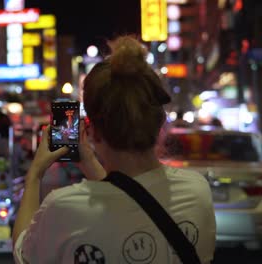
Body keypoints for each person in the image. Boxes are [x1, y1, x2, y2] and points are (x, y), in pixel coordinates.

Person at [12, 36, 216, 263]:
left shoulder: (64, 208)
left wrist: (35, 174)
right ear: (159, 123)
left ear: (93, 131)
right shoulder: (196, 190)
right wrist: (88, 161)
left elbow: (24, 252)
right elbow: (130, 198)